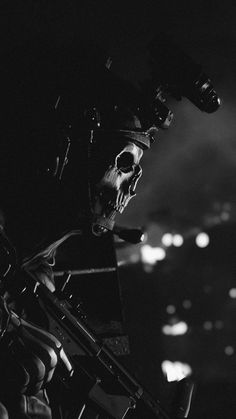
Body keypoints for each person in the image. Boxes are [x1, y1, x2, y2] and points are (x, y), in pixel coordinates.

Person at [0, 40, 155, 418]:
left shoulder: (35, 258)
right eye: (121, 163)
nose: (130, 189)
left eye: (135, 173)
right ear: (62, 155)